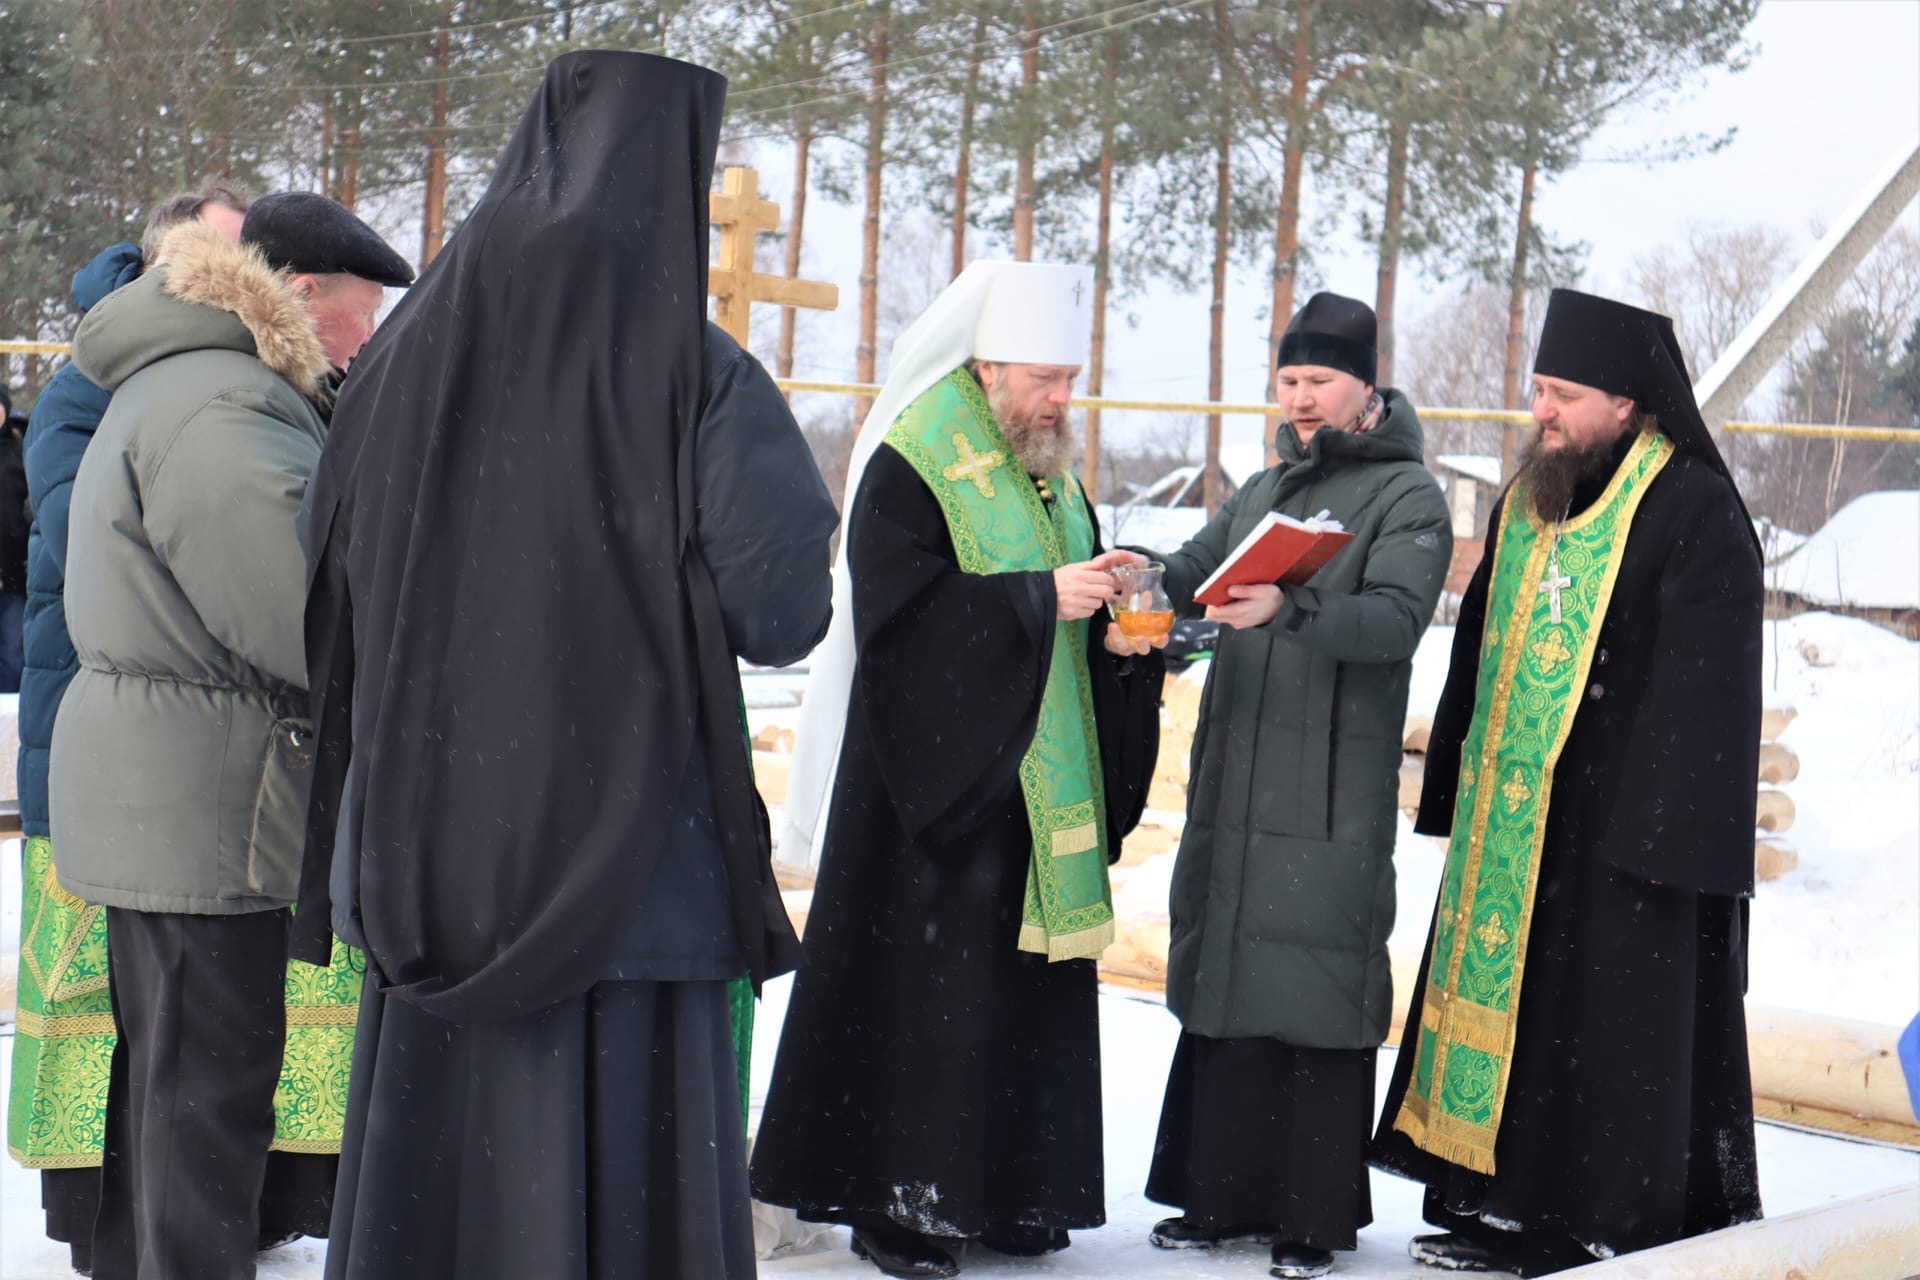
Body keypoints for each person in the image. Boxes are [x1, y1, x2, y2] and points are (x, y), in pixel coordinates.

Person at [292, 51, 836, 1280]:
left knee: (444, 1184)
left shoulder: (397, 364)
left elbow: (324, 579)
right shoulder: (695, 369)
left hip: (430, 841)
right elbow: (781, 609)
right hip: (633, 856)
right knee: (626, 1195)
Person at [751, 260, 1165, 1280]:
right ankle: (904, 1206)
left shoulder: (1047, 466)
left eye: (1069, 379)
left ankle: (1016, 1192)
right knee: (931, 1004)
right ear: (986, 368)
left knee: (1018, 999)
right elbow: (900, 615)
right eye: (1043, 379)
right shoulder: (917, 457)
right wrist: (1035, 599)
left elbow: (1063, 594)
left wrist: (1111, 634)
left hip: (1032, 793)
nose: (1060, 399)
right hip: (933, 796)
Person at [7, 182, 367, 1278]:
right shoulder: (224, 407)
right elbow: (297, 614)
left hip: (178, 792)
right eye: (361, 311)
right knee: (205, 1104)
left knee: (171, 1098)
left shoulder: (192, 384)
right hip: (203, 804)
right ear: (300, 293)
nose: (367, 339)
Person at [1371, 288, 1765, 1275]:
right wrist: (1463, 779)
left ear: (1627, 403)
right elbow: (1479, 644)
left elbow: (1707, 688)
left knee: (1599, 1035)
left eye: (1563, 394)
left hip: (1625, 837)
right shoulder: (1532, 494)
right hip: (1517, 823)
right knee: (1525, 1021)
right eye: (1539, 388)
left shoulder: (1694, 508)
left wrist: (1651, 827)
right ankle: (1489, 1202)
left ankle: (1588, 1222)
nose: (1541, 411)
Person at [1140, 293, 1452, 1279]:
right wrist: (1136, 576)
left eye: (1320, 379)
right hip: (1236, 778)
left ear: (1366, 385)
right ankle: (1218, 1194)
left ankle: (1309, 1214)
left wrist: (1291, 605)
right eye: (1288, 380)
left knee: (1316, 987)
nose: (1302, 397)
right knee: (1228, 973)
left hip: (1328, 793)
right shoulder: (1267, 483)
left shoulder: (1409, 495)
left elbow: (1395, 622)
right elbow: (1195, 574)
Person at [0, 386, 26, 691]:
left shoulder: (20, 453)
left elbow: (34, 509)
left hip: (15, 573)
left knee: (13, 655)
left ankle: (8, 714)